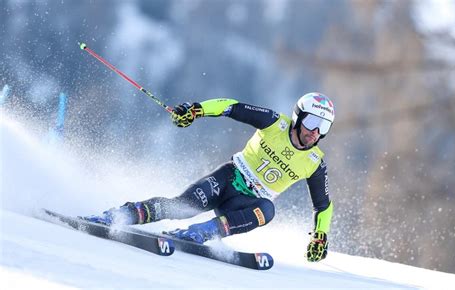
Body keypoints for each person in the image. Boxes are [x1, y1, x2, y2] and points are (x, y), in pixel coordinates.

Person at [84, 92, 335, 262]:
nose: (315, 132)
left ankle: (202, 233)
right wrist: (196, 110)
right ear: (298, 116)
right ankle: (121, 214)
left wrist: (319, 235)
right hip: (228, 179)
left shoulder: (314, 163)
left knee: (267, 210)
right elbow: (232, 107)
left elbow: (323, 205)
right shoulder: (274, 123)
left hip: (246, 204)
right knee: (182, 207)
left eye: (323, 126)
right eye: (312, 121)